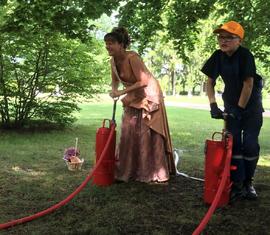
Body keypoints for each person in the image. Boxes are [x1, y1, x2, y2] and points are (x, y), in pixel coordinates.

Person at [201, 21, 264, 200]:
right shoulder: (217, 56)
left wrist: (239, 108)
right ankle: (236, 183)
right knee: (233, 143)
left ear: (239, 40)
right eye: (221, 37)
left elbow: (248, 83)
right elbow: (209, 82)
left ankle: (248, 183)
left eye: (229, 37)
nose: (223, 40)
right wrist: (213, 105)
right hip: (231, 104)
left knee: (250, 144)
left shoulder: (245, 56)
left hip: (251, 107)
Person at [104, 27, 176, 183]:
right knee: (129, 128)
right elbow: (115, 79)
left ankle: (150, 171)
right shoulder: (112, 61)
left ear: (121, 44)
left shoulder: (132, 57)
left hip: (149, 94)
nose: (107, 46)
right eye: (106, 43)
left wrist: (121, 93)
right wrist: (114, 91)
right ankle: (129, 169)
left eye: (111, 43)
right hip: (134, 95)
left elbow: (143, 81)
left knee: (146, 131)